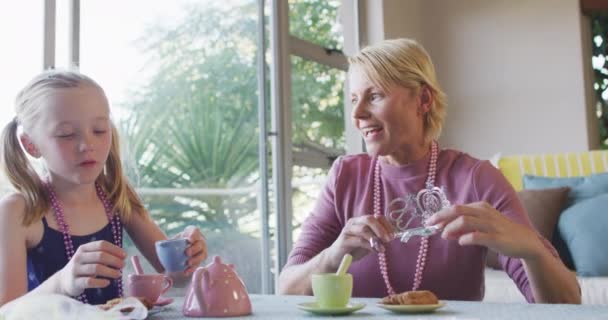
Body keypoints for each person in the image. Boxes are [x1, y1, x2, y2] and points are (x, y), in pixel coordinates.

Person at [278, 38, 580, 303]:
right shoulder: (345, 175)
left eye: (374, 96)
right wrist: (334, 255)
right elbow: (286, 290)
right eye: (354, 99)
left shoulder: (476, 178)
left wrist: (533, 250)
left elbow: (567, 303)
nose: (357, 114)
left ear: (423, 100)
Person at [0, 70, 208, 306]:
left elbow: (176, 278)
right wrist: (62, 282)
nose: (87, 145)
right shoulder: (17, 211)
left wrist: (187, 254)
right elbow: (7, 311)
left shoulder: (114, 193)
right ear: (31, 145)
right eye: (66, 134)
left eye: (99, 130)